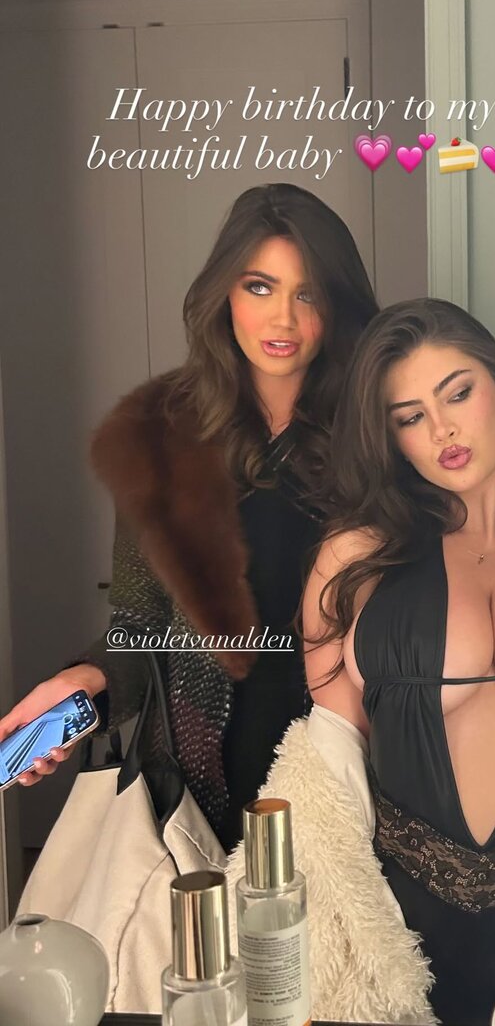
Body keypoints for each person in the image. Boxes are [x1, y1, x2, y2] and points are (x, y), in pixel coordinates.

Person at [225, 298, 495, 1026]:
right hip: (404, 923)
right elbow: (331, 759)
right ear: (392, 438)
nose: (442, 430)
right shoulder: (354, 562)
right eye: (409, 416)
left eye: (458, 393)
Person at [0, 182, 378, 854]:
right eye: (260, 287)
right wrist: (82, 684)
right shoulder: (159, 437)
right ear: (224, 293)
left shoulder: (377, 435)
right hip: (198, 790)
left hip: (350, 772)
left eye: (309, 294)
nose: (283, 319)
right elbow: (141, 625)